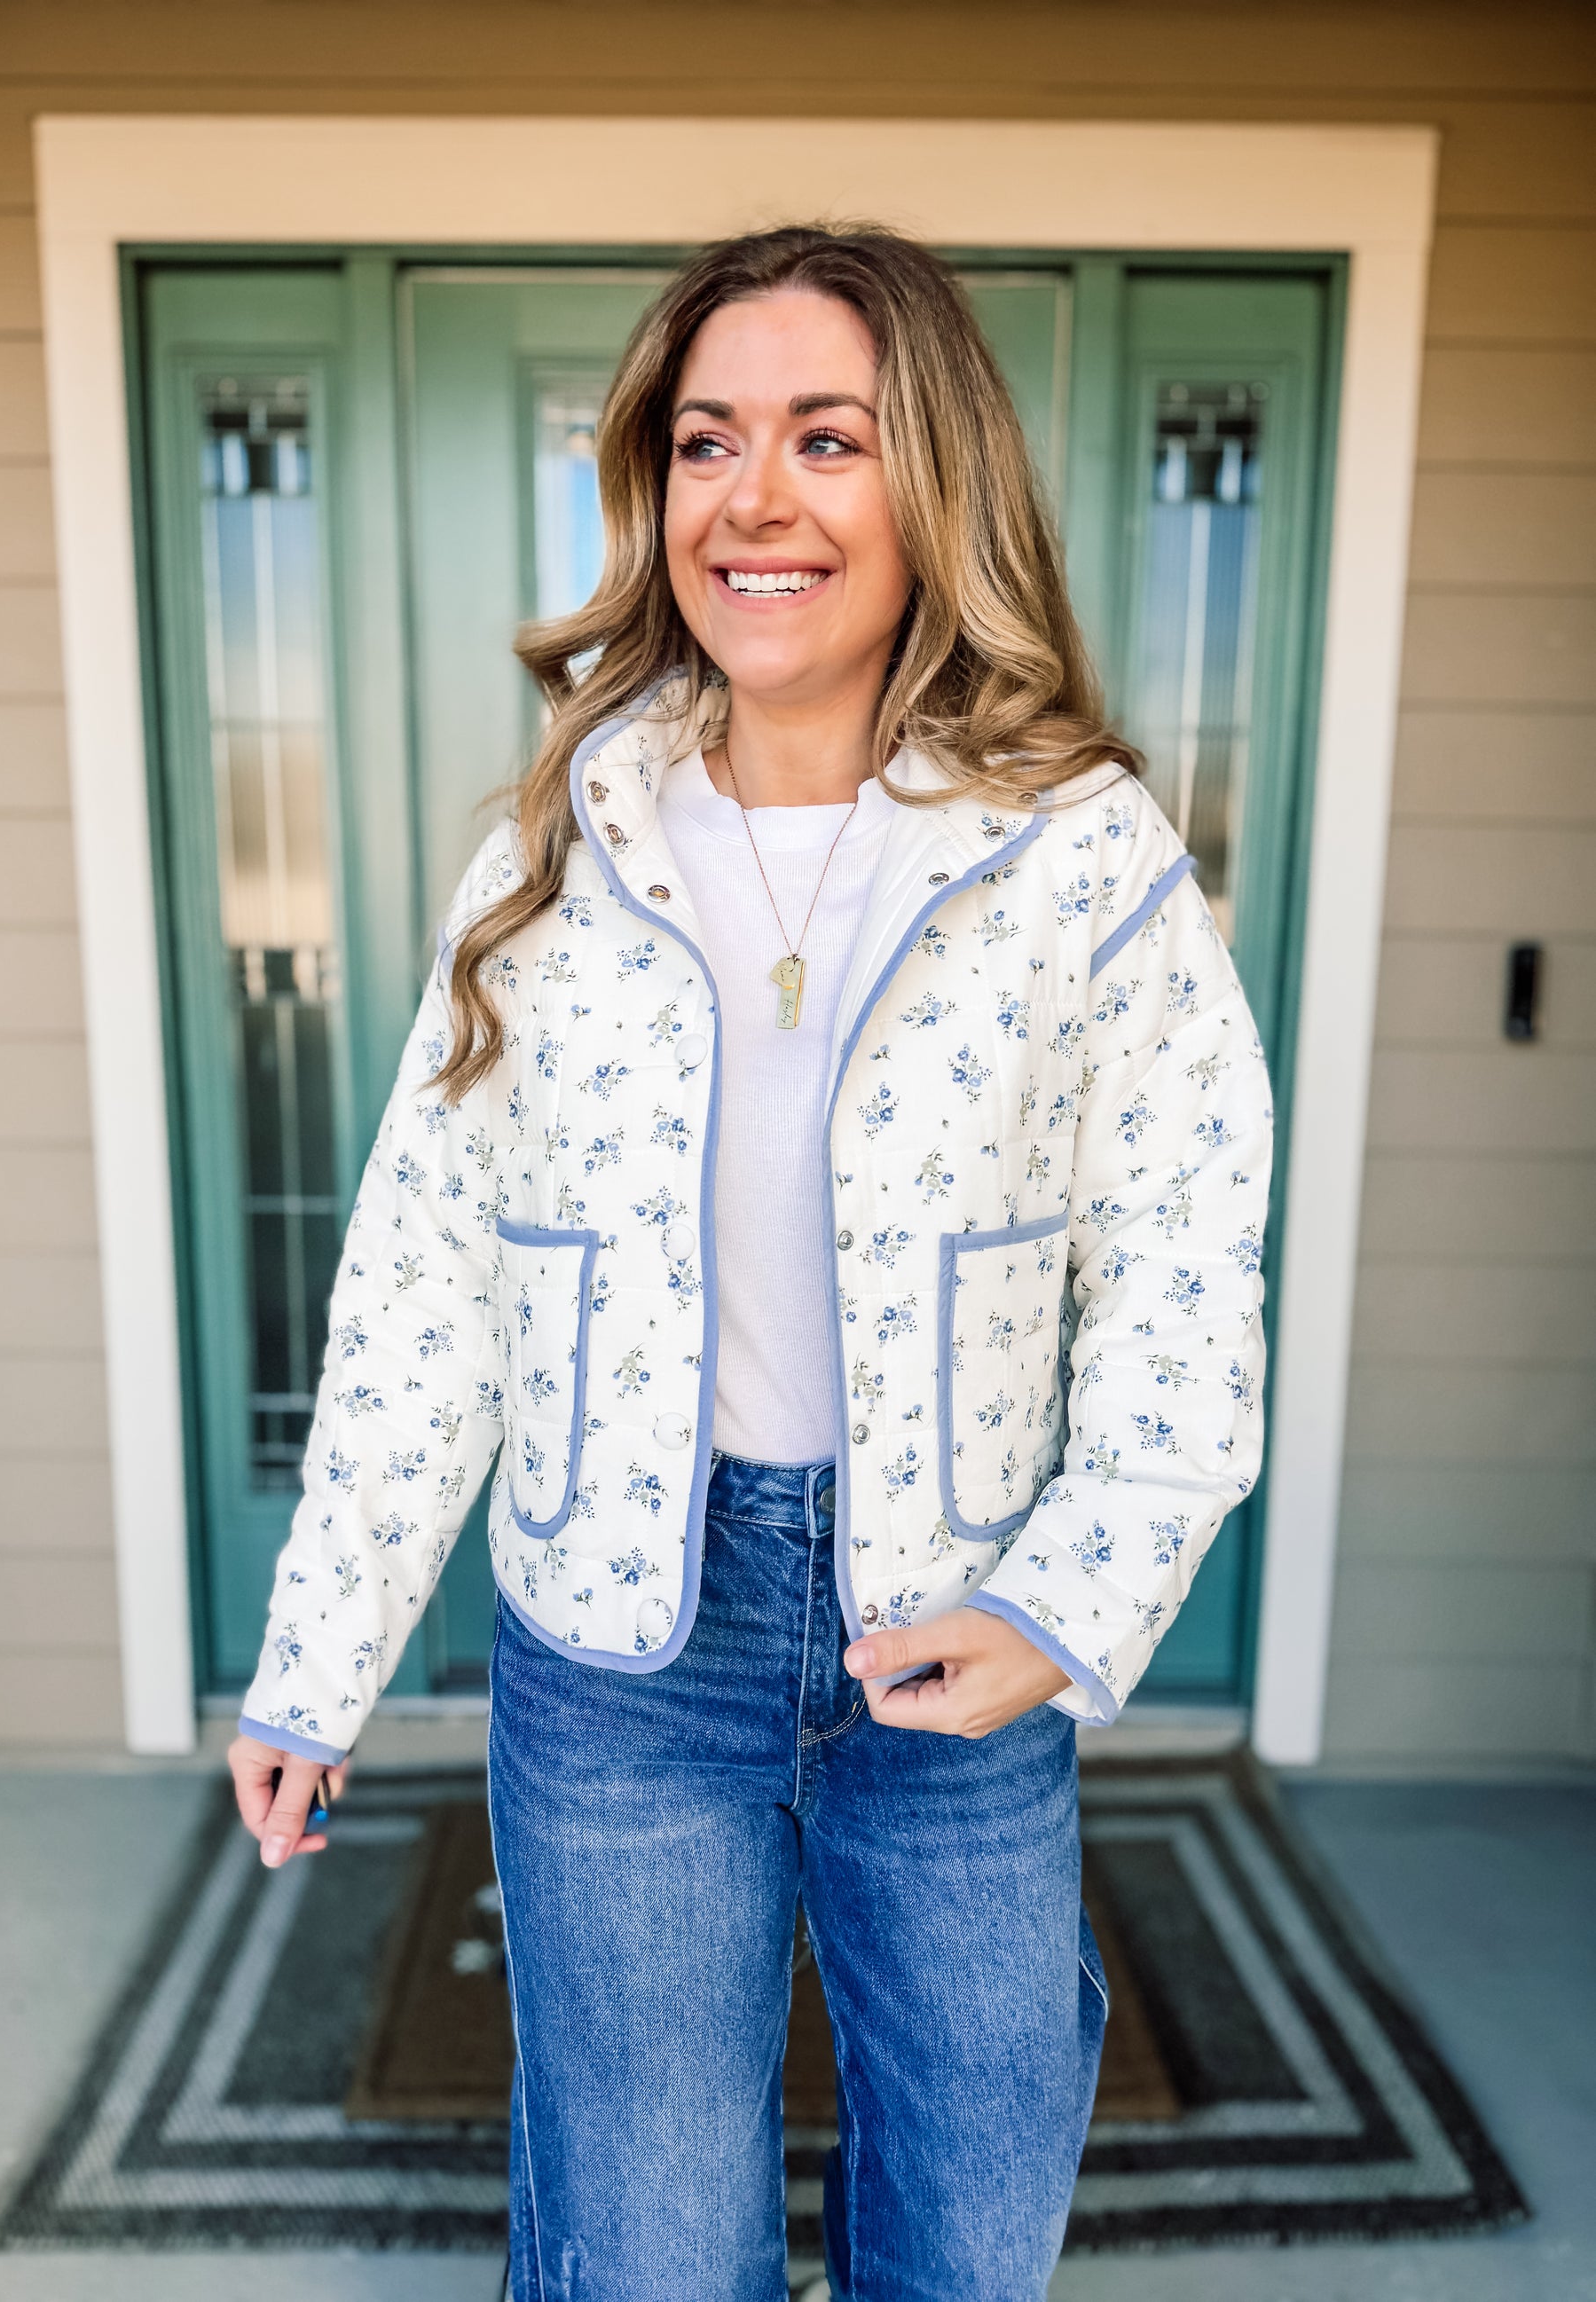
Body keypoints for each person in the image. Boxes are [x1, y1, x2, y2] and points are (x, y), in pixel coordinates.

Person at [227, 223, 1271, 2301]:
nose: (752, 497)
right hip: (621, 1651)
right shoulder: (552, 852)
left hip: (949, 1633)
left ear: (933, 488)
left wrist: (1068, 1597)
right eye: (707, 440)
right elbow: (429, 1277)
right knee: (644, 2246)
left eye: (825, 438)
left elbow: (1181, 1256)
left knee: (972, 2224)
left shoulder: (1081, 856)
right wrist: (319, 1645)